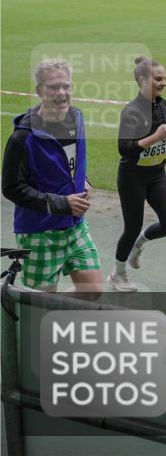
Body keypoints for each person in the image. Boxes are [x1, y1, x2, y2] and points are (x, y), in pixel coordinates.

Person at [2, 59, 102, 294]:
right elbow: (11, 187)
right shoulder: (23, 137)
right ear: (39, 91)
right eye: (53, 87)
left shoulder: (76, 119)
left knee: (94, 290)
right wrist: (62, 203)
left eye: (66, 86)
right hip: (39, 233)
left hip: (75, 227)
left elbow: (71, 164)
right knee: (41, 307)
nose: (61, 93)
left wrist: (85, 181)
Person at [108, 57, 166, 292]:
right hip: (133, 177)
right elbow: (125, 147)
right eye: (158, 78)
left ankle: (139, 245)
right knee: (131, 227)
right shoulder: (131, 111)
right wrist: (154, 138)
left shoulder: (162, 104)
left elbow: (161, 127)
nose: (163, 83)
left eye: (164, 79)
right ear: (143, 80)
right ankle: (117, 273)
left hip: (157, 174)